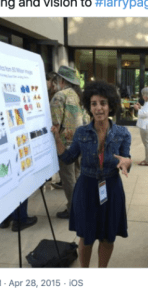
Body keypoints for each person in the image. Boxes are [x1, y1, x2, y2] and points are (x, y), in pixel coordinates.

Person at [51, 81, 131, 268]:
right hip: (86, 188)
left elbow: (126, 159)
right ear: (89, 107)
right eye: (94, 103)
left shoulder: (123, 133)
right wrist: (57, 140)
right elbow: (69, 158)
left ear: (110, 105)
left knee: (107, 237)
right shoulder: (82, 132)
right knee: (86, 237)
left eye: (103, 103)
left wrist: (128, 162)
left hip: (111, 188)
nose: (98, 108)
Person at [50, 65, 89, 218]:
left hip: (65, 146)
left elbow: (55, 124)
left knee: (68, 178)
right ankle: (81, 204)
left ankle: (73, 209)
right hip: (82, 142)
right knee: (78, 175)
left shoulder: (60, 96)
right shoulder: (80, 95)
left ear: (61, 80)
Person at [133, 87, 148, 166]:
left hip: (146, 126)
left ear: (147, 95)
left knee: (147, 143)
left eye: (143, 94)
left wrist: (137, 109)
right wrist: (141, 107)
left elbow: (144, 114)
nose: (142, 96)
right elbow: (146, 111)